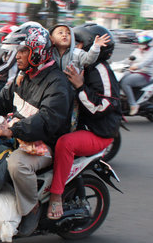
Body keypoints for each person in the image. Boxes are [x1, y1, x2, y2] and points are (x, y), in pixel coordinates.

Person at [0, 23, 73, 236]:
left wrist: (13, 130)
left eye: (22, 51)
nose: (17, 56)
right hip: (21, 134)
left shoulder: (57, 83)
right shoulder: (24, 76)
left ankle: (31, 209)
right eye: (17, 51)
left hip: (45, 143)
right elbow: (1, 100)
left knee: (17, 165)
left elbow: (48, 120)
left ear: (37, 52)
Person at [48, 24, 122, 220]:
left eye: (78, 42)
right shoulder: (76, 65)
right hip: (81, 123)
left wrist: (81, 87)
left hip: (98, 131)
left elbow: (103, 106)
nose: (74, 46)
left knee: (65, 144)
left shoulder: (100, 69)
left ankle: (55, 195)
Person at [119, 31, 153, 115]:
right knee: (118, 78)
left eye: (145, 39)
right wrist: (116, 64)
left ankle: (133, 105)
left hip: (143, 74)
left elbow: (145, 62)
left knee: (125, 83)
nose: (142, 41)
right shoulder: (137, 50)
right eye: (141, 39)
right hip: (132, 72)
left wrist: (136, 66)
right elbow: (128, 60)